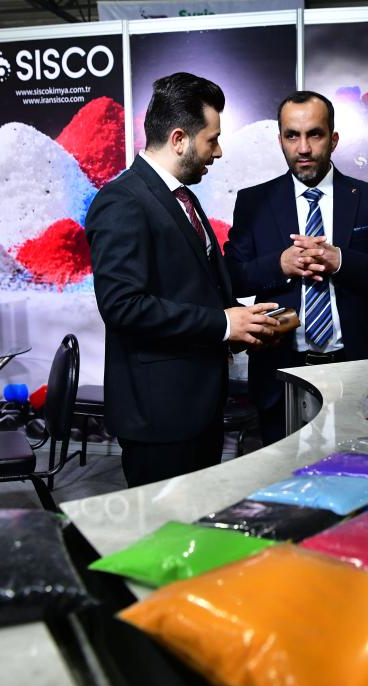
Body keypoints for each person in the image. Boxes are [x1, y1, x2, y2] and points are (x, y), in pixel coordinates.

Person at [86, 72, 280, 487]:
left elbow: (191, 289)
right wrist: (223, 324)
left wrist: (243, 322)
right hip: (160, 416)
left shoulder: (182, 197)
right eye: (212, 140)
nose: (219, 151)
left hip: (197, 407)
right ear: (179, 139)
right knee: (165, 525)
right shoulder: (122, 201)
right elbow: (122, 307)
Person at [225, 91, 368, 444]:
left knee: (353, 464)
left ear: (333, 138)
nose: (304, 148)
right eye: (292, 136)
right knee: (281, 470)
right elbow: (232, 276)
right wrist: (280, 265)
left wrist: (341, 260)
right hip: (280, 373)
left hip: (354, 367)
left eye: (315, 134)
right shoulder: (253, 202)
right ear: (280, 140)